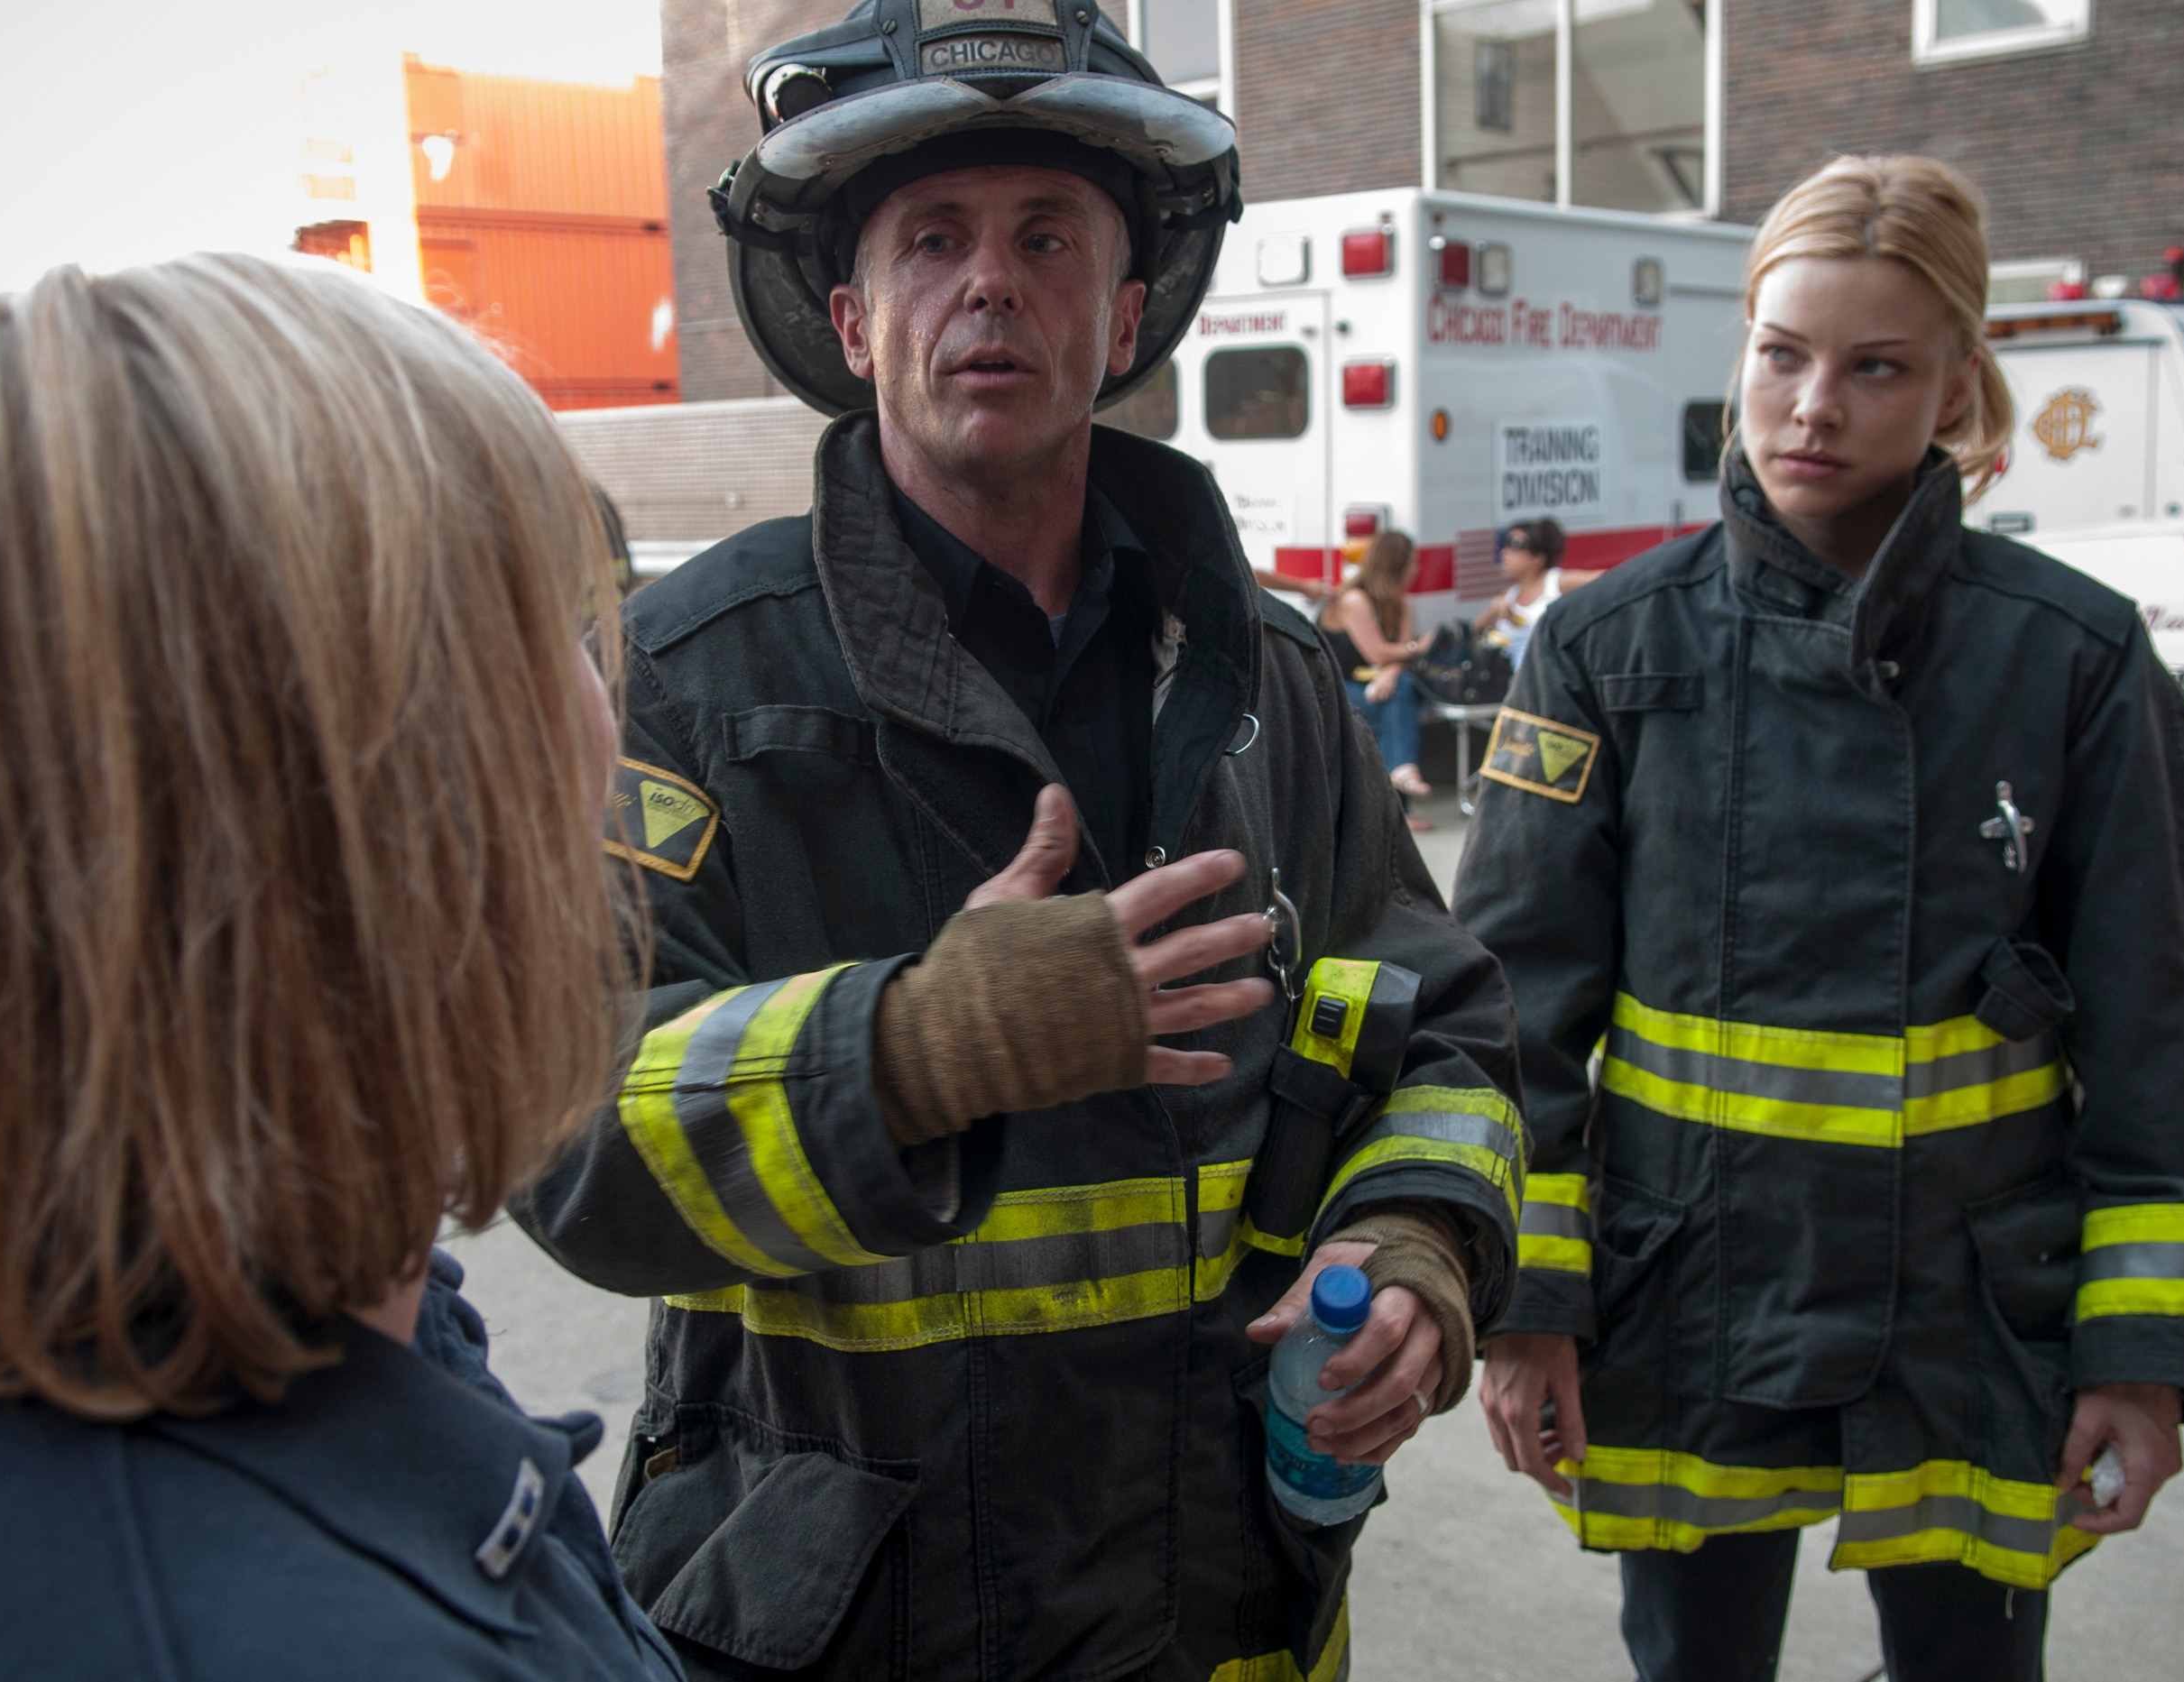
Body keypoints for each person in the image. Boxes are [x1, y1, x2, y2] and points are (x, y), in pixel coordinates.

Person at [510, 8, 1525, 1678]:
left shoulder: (1269, 681)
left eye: (1046, 237)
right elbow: (562, 1138)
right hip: (852, 1629)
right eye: (932, 240)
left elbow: (1449, 1034)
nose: (990, 282)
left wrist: (1409, 1243)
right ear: (851, 320)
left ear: (1124, 316)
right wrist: (909, 1051)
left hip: (1215, 1615)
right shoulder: (686, 685)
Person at [1452, 155, 2184, 1682]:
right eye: (1779, 355)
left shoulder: (2070, 660)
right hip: (1680, 1297)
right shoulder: (1600, 651)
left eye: (1873, 366)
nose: (1809, 408)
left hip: (1970, 1312)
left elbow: (2181, 1031)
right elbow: (1510, 1017)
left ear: (1958, 385)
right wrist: (1526, 1307)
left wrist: (2142, 1355)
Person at [0, 255, 684, 1680]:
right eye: (545, 627)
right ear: (356, 818)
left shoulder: (330, 1325)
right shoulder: (248, 1631)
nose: (611, 736)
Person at [1321, 529, 1436, 822]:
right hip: (1334, 686)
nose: (1417, 569)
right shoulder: (1354, 599)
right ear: (1395, 565)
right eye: (1412, 562)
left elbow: (1401, 656)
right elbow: (1380, 652)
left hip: (1374, 685)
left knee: (1398, 692)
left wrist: (1390, 674)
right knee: (1397, 701)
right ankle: (1400, 799)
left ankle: (1397, 794)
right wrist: (1418, 647)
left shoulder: (1401, 603)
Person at [1471, 518, 1565, 669]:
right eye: (1504, 543)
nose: (1505, 552)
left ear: (1538, 558)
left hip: (1547, 682)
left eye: (1516, 545)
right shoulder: (1509, 595)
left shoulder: (1557, 582)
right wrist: (1493, 609)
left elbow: (1608, 582)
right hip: (1514, 684)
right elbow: (1474, 631)